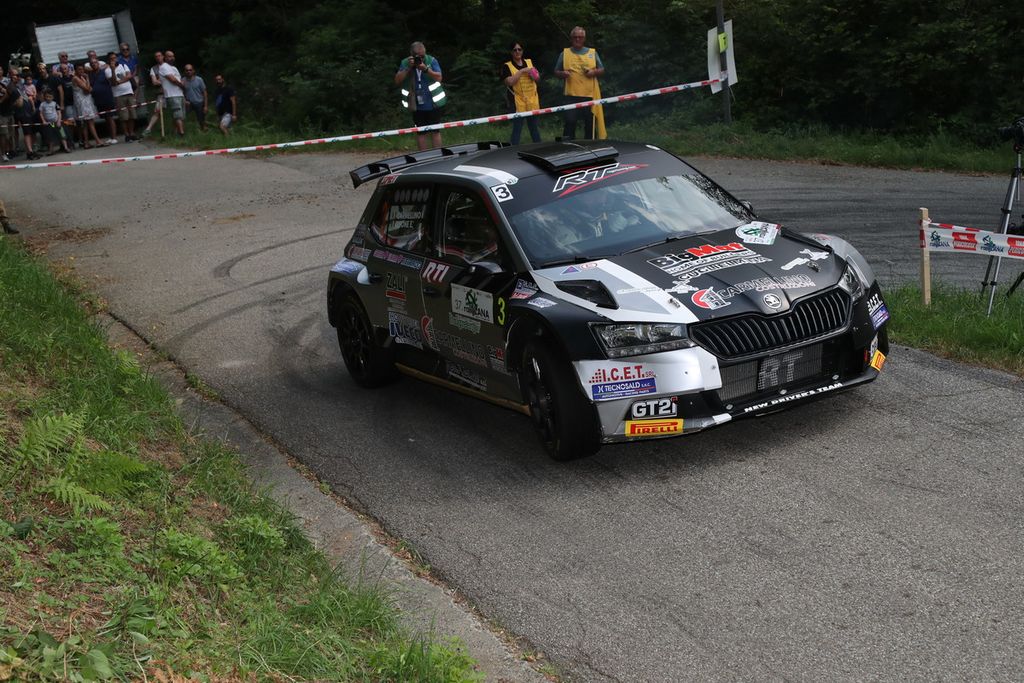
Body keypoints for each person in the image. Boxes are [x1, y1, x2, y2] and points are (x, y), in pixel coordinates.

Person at [554, 26, 607, 140]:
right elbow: (556, 72)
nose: (577, 39)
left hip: (589, 94)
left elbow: (602, 69)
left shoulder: (592, 53)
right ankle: (567, 145)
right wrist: (563, 74)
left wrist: (594, 72)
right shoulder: (564, 53)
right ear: (571, 38)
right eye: (575, 37)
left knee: (590, 123)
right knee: (570, 121)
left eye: (580, 37)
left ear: (584, 39)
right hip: (570, 94)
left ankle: (590, 145)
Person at [395, 41, 445, 150]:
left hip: (433, 102)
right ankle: (424, 155)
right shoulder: (405, 62)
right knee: (420, 132)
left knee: (435, 131)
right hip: (416, 104)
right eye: (418, 56)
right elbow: (397, 80)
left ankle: (438, 154)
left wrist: (426, 69)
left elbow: (439, 78)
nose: (420, 59)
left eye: (422, 56)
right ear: (412, 55)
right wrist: (408, 68)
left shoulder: (431, 60)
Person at [501, 41, 542, 145]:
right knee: (517, 128)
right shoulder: (507, 66)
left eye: (519, 49)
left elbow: (538, 79)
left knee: (534, 128)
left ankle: (539, 147)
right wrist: (522, 71)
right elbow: (509, 82)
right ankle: (513, 149)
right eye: (515, 50)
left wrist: (534, 75)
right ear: (511, 52)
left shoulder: (529, 62)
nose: (517, 52)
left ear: (522, 51)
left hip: (532, 101)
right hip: (517, 102)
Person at [71, 63, 106, 148]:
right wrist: (87, 79)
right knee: (90, 122)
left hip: (87, 101)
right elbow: (87, 89)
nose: (81, 71)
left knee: (86, 124)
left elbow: (90, 89)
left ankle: (86, 143)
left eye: (82, 69)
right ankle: (98, 141)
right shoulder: (75, 78)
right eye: (79, 69)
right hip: (83, 103)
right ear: (75, 70)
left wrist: (87, 85)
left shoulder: (81, 77)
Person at [88, 56, 118, 144]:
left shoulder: (105, 71)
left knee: (110, 117)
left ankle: (114, 137)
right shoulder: (91, 75)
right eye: (92, 63)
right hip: (98, 99)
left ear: (98, 63)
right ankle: (111, 137)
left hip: (107, 97)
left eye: (95, 63)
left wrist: (112, 70)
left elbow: (113, 81)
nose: (94, 64)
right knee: (105, 118)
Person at [109, 52, 137, 141]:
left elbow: (129, 76)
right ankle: (126, 134)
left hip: (129, 92)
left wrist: (119, 82)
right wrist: (113, 70)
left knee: (132, 114)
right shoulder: (107, 70)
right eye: (112, 58)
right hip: (118, 95)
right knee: (123, 117)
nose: (114, 59)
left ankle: (132, 133)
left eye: (115, 58)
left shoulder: (123, 65)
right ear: (109, 60)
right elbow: (113, 82)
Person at [159, 50, 186, 136]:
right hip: (172, 94)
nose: (172, 58)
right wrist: (182, 86)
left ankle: (175, 133)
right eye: (169, 56)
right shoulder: (164, 67)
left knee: (181, 115)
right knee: (178, 115)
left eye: (173, 56)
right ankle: (182, 133)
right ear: (165, 57)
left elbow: (179, 79)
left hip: (179, 93)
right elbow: (173, 80)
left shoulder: (174, 68)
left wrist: (182, 85)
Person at [37, 89, 70, 155]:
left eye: (50, 97)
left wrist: (59, 121)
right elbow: (41, 113)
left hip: (56, 122)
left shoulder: (55, 104)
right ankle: (51, 150)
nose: (48, 98)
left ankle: (66, 147)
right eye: (47, 96)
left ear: (53, 97)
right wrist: (43, 121)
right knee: (50, 136)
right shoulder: (42, 104)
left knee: (62, 134)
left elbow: (59, 113)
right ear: (44, 97)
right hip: (49, 123)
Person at [141, 51, 165, 137]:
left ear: (163, 56)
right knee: (157, 111)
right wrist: (165, 81)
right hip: (161, 93)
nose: (158, 57)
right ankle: (148, 129)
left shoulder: (169, 66)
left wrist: (160, 81)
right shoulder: (153, 69)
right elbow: (154, 82)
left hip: (172, 92)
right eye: (156, 56)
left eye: (159, 56)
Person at [182, 64, 207, 131]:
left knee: (201, 119)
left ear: (193, 71)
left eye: (190, 70)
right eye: (187, 70)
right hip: (188, 103)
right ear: (185, 71)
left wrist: (205, 106)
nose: (189, 72)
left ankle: (203, 130)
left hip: (199, 102)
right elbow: (181, 92)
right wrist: (184, 100)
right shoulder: (183, 80)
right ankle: (182, 130)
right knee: (182, 116)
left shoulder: (199, 79)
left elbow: (204, 92)